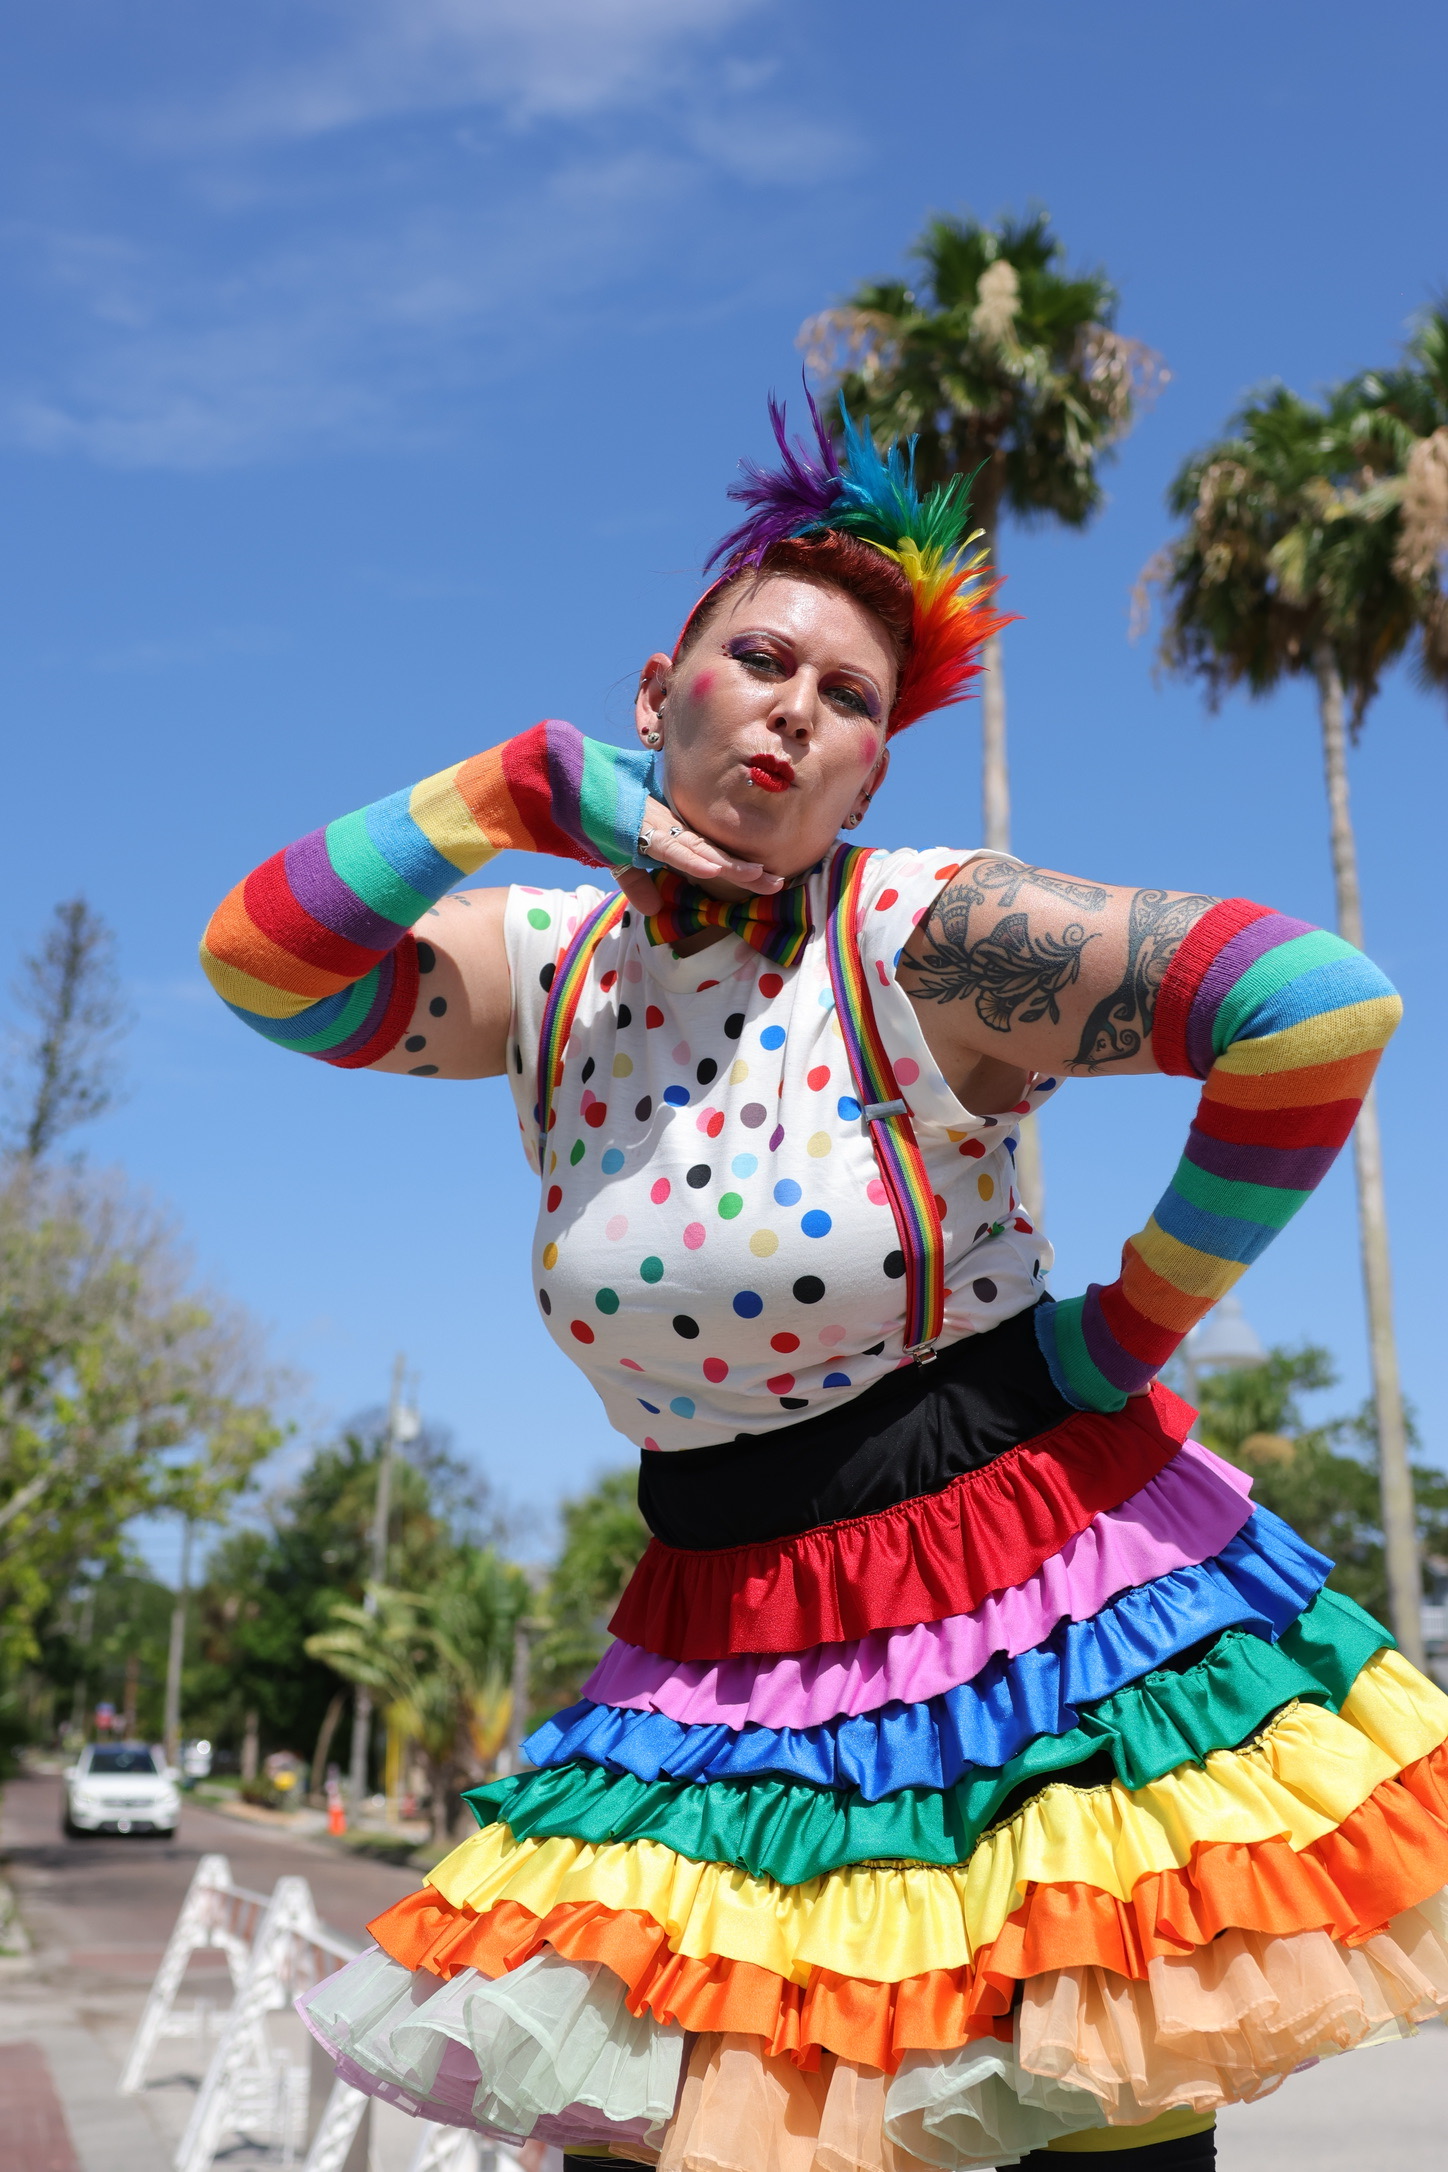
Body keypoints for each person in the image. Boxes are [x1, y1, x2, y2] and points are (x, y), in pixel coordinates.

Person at [201, 398, 1448, 2170]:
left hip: (1018, 1597)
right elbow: (262, 968)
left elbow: (1313, 1006)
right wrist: (507, 791)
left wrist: (1128, 1333)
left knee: (1060, 2114)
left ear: (868, 776)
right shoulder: (548, 962)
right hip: (711, 1624)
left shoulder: (917, 933)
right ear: (660, 696)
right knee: (678, 2130)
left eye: (849, 697)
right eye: (762, 659)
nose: (796, 706)